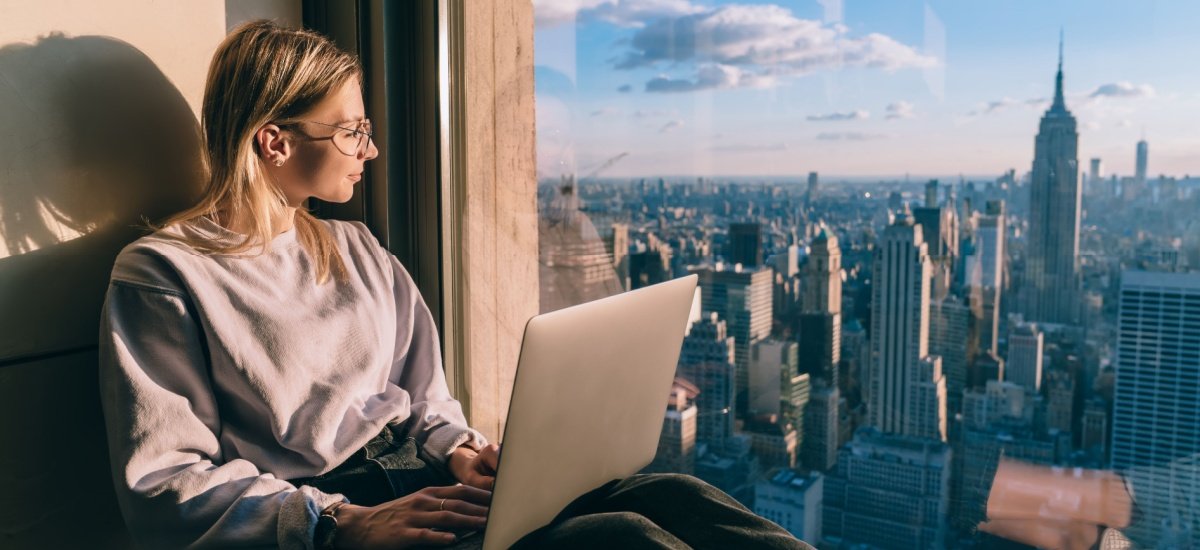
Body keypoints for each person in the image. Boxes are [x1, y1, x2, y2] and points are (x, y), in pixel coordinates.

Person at [98, 20, 811, 550]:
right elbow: (166, 484)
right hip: (343, 513)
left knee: (678, 496)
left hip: (428, 482)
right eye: (351, 131)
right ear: (275, 142)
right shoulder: (165, 275)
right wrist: (340, 524)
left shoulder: (356, 248)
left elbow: (425, 396)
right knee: (622, 536)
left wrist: (458, 449)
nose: (371, 150)